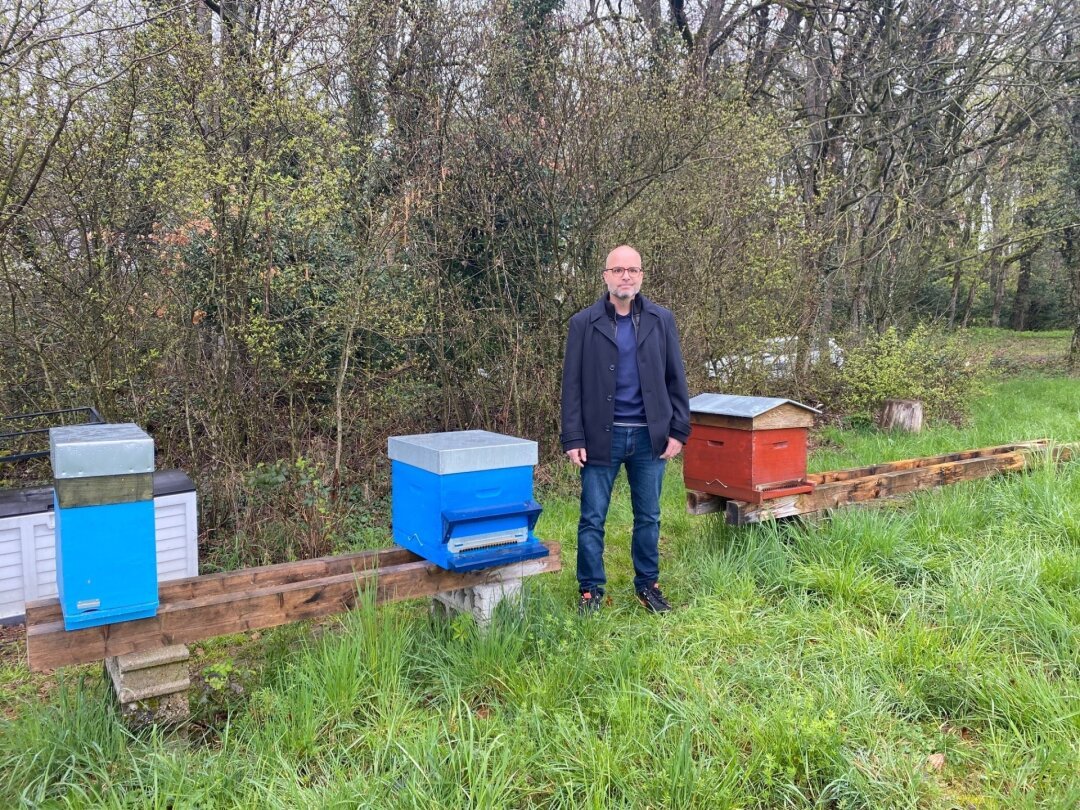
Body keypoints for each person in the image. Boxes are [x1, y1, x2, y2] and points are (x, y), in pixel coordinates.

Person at [560, 245, 691, 614]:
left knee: (648, 516)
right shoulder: (584, 323)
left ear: (641, 276)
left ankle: (648, 585)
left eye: (632, 270)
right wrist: (573, 436)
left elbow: (675, 378)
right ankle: (590, 590)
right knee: (592, 518)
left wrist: (679, 430)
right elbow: (571, 385)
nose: (626, 276)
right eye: (618, 270)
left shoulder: (660, 319)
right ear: (605, 276)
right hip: (602, 437)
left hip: (651, 437)